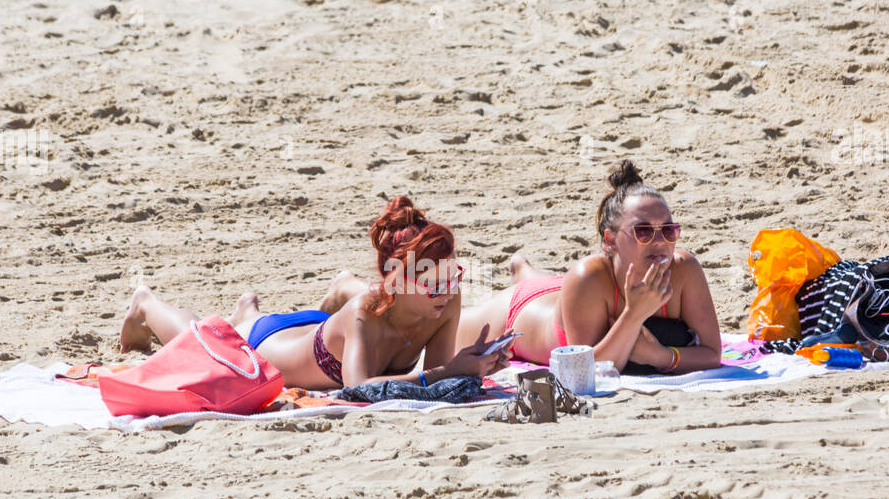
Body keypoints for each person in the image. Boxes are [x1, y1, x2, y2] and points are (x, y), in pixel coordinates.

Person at [117, 196, 511, 391]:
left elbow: (435, 382)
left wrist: (474, 367)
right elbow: (359, 392)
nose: (448, 290)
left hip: (317, 330)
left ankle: (250, 308)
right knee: (200, 342)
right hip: (266, 346)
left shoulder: (445, 301)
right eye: (434, 282)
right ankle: (146, 303)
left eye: (454, 276)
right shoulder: (364, 316)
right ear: (396, 280)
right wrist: (455, 370)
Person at [456, 160, 722, 373]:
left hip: (568, 294)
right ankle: (523, 275)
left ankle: (523, 270)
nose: (659, 242)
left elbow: (712, 354)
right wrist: (633, 314)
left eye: (668, 231)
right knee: (455, 324)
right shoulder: (587, 277)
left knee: (555, 286)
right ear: (611, 240)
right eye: (643, 232)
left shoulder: (684, 270)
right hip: (521, 312)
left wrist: (660, 356)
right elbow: (586, 370)